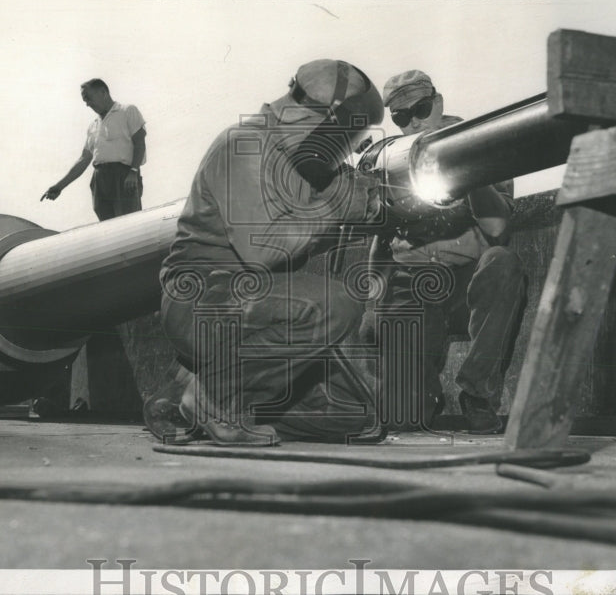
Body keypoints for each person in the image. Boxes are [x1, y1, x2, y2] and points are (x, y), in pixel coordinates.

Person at [146, 59, 385, 445]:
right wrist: (337, 204)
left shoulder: (294, 161)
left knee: (356, 418)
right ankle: (215, 399)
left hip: (254, 304)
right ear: (328, 120)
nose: (345, 152)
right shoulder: (244, 145)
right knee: (337, 303)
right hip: (204, 299)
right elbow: (266, 250)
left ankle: (190, 395)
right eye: (349, 139)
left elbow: (300, 236)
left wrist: (360, 205)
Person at [371, 70, 527, 433]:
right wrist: (374, 300)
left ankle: (478, 394)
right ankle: (424, 396)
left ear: (438, 103)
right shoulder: (392, 158)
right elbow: (379, 237)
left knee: (503, 263)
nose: (414, 122)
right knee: (403, 417)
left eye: (421, 109)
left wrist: (466, 171)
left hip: (468, 288)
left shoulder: (480, 144)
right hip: (413, 287)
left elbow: (498, 230)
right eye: (401, 117)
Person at [42, 78, 146, 221]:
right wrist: (59, 186)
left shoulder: (127, 111)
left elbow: (140, 142)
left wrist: (133, 171)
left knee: (128, 223)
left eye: (88, 98)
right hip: (100, 180)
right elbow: (84, 159)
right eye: (85, 100)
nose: (87, 104)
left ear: (103, 93)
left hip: (124, 176)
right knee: (107, 227)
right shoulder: (93, 126)